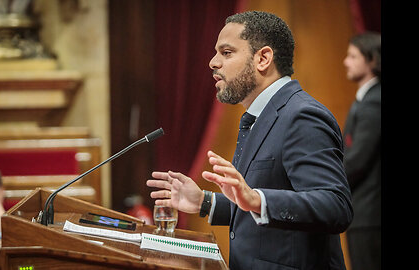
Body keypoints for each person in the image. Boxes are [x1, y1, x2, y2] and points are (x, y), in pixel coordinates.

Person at [146, 11, 353, 270]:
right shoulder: (261, 115)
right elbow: (261, 200)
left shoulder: (302, 116)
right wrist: (204, 202)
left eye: (227, 52)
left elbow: (335, 206)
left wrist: (256, 199)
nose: (213, 62)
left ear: (263, 58)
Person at [342, 32, 381, 270]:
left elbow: (357, 160)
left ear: (372, 61)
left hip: (370, 214)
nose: (346, 61)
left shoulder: (375, 101)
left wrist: (328, 185)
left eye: (353, 56)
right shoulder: (367, 99)